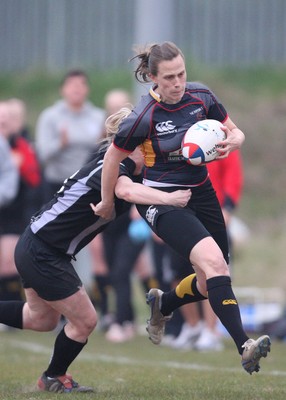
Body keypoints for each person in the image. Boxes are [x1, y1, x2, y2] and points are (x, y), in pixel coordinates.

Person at [92, 41, 271, 374]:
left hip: (201, 193)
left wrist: (235, 140)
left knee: (212, 280)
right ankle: (244, 345)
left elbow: (235, 131)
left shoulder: (201, 97)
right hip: (164, 200)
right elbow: (111, 162)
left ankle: (165, 303)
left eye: (182, 74)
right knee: (215, 264)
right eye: (170, 77)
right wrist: (105, 202)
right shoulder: (142, 117)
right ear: (152, 77)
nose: (178, 83)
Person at [0, 106, 191, 393]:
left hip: (39, 245)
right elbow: (126, 192)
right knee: (86, 320)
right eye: (149, 138)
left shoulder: (126, 167)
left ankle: (53, 375)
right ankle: (53, 376)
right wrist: (171, 198)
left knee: (40, 319)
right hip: (42, 250)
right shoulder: (115, 165)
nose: (155, 145)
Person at [35, 69, 105, 202]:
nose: (76, 89)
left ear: (87, 89)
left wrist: (101, 141)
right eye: (72, 84)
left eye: (81, 84)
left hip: (89, 185)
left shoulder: (99, 117)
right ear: (62, 89)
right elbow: (42, 155)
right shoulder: (50, 116)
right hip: (57, 184)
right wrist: (60, 144)